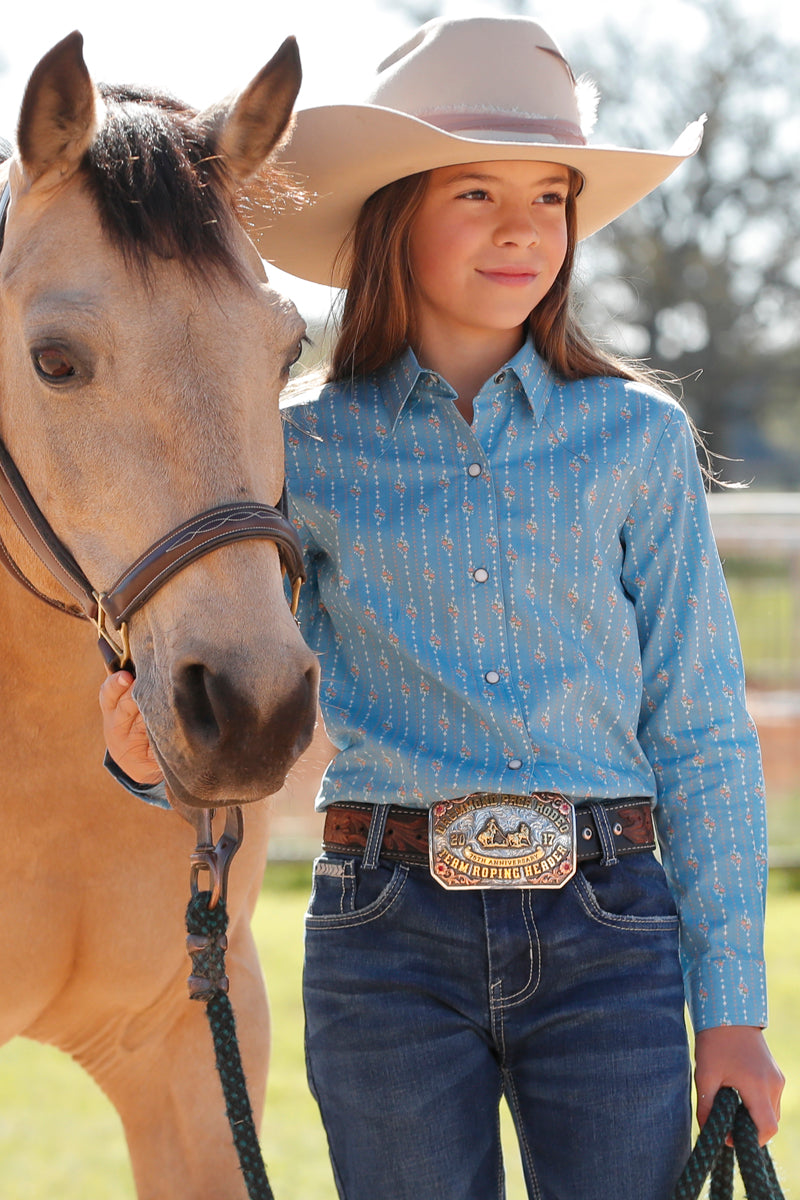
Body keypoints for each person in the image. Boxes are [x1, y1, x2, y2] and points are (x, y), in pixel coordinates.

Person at [102, 16, 784, 1200]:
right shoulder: (296, 450)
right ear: (393, 216)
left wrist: (732, 1014)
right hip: (383, 943)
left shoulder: (634, 440)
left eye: (549, 196)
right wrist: (145, 765)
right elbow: (239, 695)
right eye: (475, 192)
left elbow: (701, 732)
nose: (522, 228)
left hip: (610, 933)